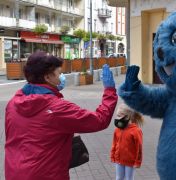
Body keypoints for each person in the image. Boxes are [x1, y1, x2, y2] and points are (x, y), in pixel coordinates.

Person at [5, 51, 118, 180]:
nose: (61, 77)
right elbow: (99, 120)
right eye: (59, 73)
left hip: (14, 172)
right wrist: (109, 91)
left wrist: (50, 92)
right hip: (46, 175)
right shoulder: (58, 108)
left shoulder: (13, 103)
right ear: (47, 78)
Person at [110, 103, 144, 180]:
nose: (117, 118)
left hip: (130, 162)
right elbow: (114, 144)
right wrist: (113, 156)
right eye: (117, 115)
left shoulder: (136, 131)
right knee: (119, 178)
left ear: (128, 117)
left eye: (119, 115)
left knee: (129, 178)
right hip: (118, 159)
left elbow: (139, 148)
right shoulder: (117, 130)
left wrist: (137, 162)